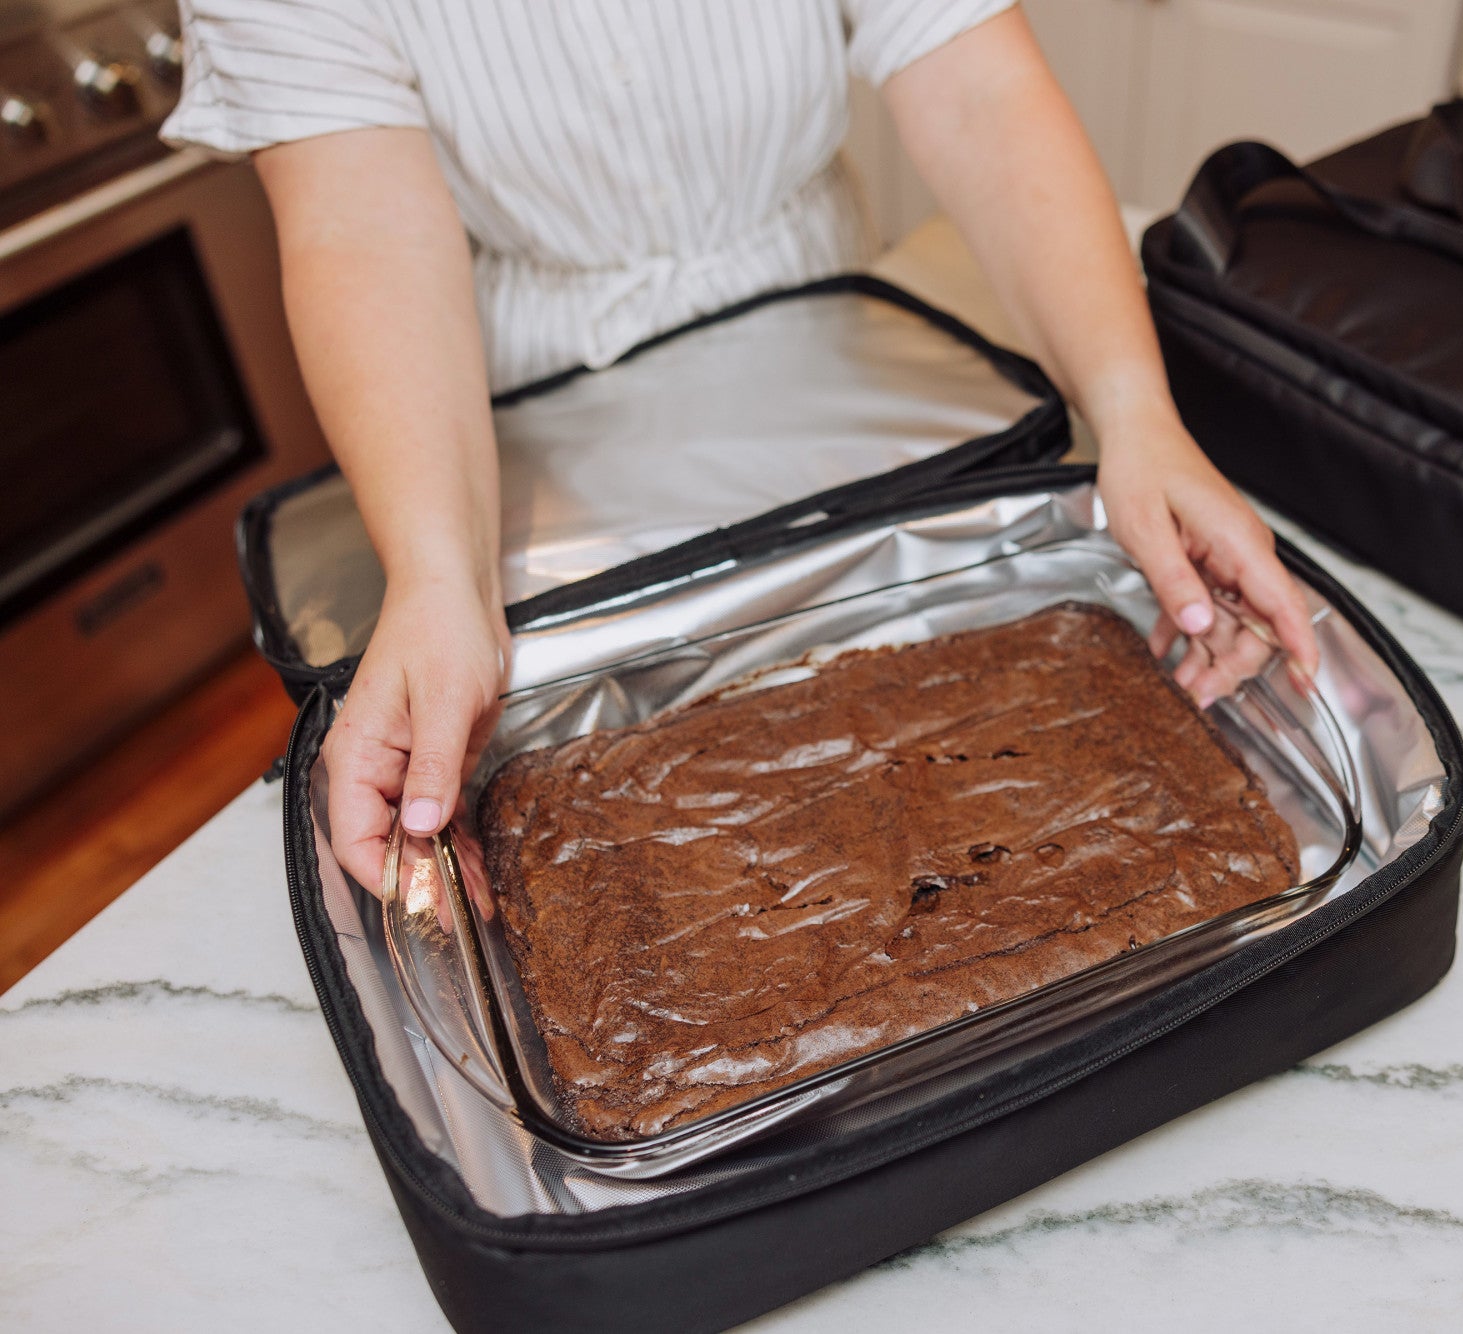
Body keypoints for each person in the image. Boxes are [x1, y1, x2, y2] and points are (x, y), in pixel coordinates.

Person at [166, 1, 1317, 888]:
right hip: (508, 433)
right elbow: (362, 226)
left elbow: (975, 86)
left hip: (849, 368)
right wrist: (434, 573)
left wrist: (1134, 416)